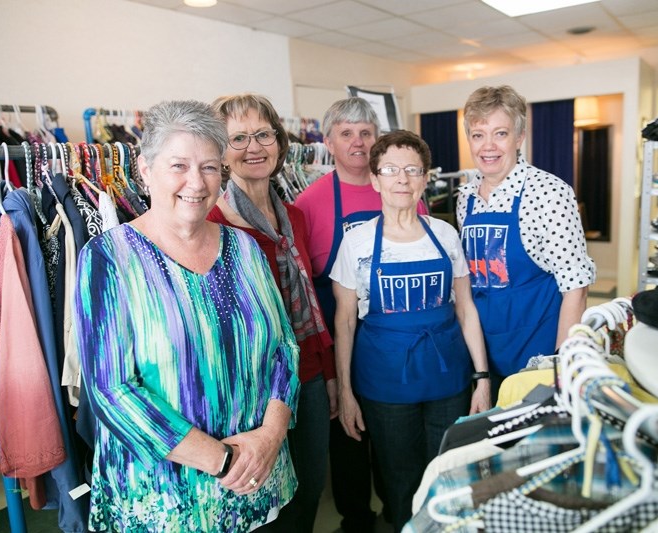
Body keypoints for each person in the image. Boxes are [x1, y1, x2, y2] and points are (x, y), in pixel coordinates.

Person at [73, 100, 300, 532]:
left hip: (260, 486)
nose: (196, 182)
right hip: (165, 503)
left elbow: (284, 349)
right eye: (179, 165)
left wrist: (269, 438)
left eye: (210, 167)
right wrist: (225, 461)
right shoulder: (108, 257)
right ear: (144, 169)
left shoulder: (244, 248)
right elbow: (112, 390)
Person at [331, 130, 491, 532]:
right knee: (399, 478)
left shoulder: (446, 235)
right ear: (375, 179)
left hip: (447, 375)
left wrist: (483, 378)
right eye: (390, 169)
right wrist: (347, 393)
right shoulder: (356, 242)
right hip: (384, 381)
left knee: (447, 470)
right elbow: (345, 321)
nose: (401, 179)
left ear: (424, 179)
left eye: (412, 170)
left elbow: (466, 308)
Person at [207, 93, 335, 533]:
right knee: (265, 502)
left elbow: (310, 302)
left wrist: (329, 375)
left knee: (311, 485)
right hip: (255, 388)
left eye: (263, 134)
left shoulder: (294, 217)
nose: (253, 147)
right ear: (219, 152)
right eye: (237, 138)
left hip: (309, 373)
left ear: (279, 143)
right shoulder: (214, 224)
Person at [296, 97, 422, 532]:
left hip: (397, 337)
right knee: (347, 436)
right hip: (342, 336)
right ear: (327, 141)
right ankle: (356, 517)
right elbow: (307, 285)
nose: (357, 142)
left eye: (366, 133)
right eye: (346, 133)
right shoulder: (309, 202)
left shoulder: (403, 186)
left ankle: (398, 509)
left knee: (395, 436)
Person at [456, 85, 596, 400]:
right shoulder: (466, 198)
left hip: (538, 356)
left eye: (500, 134)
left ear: (519, 138)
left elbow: (576, 289)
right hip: (484, 355)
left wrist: (558, 369)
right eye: (478, 135)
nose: (488, 146)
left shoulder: (548, 193)